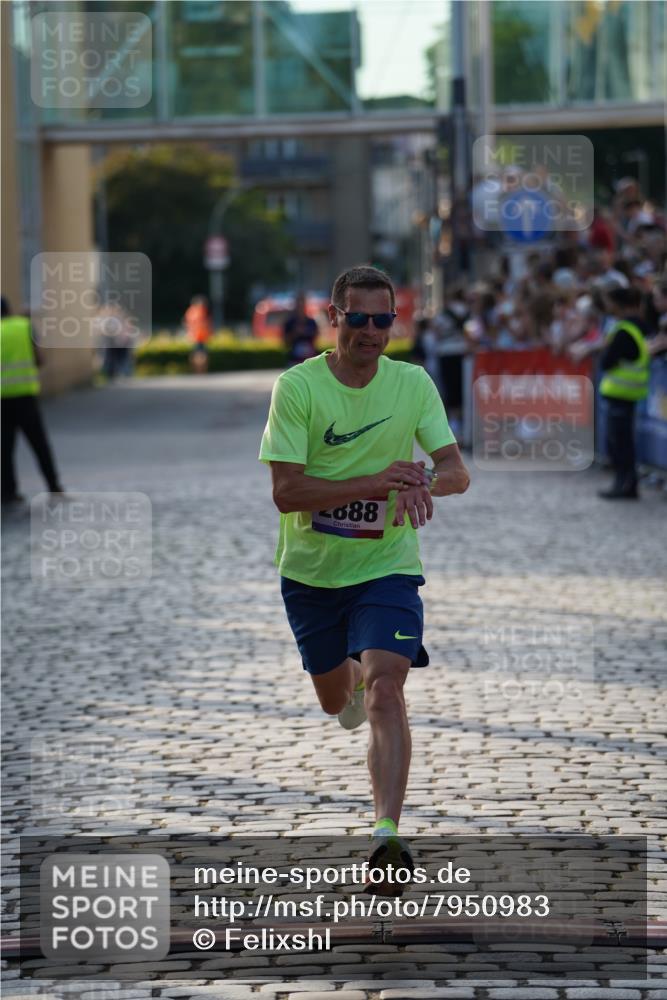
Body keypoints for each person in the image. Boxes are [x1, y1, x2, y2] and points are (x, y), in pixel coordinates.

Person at [259, 265, 470, 891]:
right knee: (340, 700)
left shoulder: (412, 383)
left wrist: (421, 482)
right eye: (359, 318)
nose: (373, 331)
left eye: (384, 319)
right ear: (335, 317)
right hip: (312, 574)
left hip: (388, 566)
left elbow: (457, 470)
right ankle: (344, 676)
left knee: (385, 690)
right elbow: (287, 492)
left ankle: (387, 835)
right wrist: (378, 482)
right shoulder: (297, 388)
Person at [1, 296, 65, 504]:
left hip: (2, 400)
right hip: (26, 398)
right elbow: (39, 359)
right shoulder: (24, 326)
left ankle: (8, 492)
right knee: (39, 444)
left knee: (5, 448)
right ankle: (53, 486)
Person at [598, 286, 650, 500]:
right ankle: (625, 483)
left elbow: (607, 361)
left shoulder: (624, 330)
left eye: (610, 302)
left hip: (621, 394)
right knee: (622, 442)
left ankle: (625, 484)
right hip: (629, 394)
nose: (608, 307)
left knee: (620, 444)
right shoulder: (640, 327)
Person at [282, 292, 319, 366]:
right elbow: (285, 342)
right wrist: (295, 333)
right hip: (294, 360)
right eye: (299, 304)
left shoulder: (312, 322)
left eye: (302, 304)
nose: (300, 307)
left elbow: (316, 338)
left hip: (309, 360)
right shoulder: (290, 322)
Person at [184, 295, 213, 374]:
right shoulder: (201, 311)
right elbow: (206, 324)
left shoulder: (190, 311)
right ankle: (200, 370)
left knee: (197, 354)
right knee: (201, 354)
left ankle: (197, 369)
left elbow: (187, 324)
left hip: (196, 336)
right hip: (200, 336)